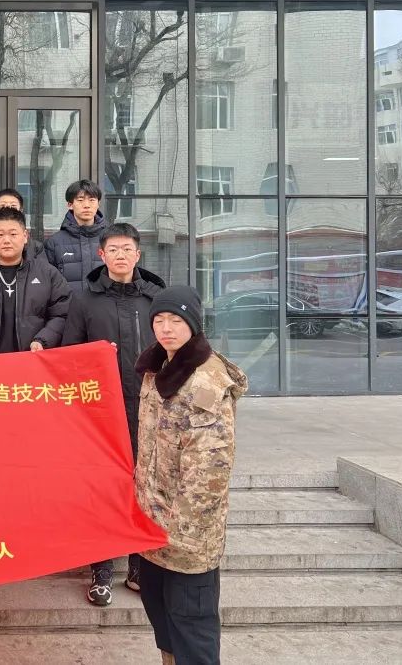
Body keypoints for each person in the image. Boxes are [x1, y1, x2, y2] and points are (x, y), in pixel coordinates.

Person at [134, 285, 247, 665]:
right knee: (161, 617)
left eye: (176, 321)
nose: (166, 328)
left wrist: (180, 533)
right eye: (159, 320)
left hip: (187, 536)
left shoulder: (205, 380)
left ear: (194, 325)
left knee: (191, 625)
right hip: (152, 526)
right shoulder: (156, 368)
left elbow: (210, 470)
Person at [61, 221, 165, 606]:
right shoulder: (84, 301)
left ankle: (138, 566)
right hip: (101, 413)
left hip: (148, 410)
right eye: (113, 250)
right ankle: (101, 570)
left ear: (138, 254)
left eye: (127, 249)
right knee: (102, 489)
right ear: (101, 255)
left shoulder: (157, 299)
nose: (121, 256)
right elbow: (70, 355)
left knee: (142, 487)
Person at [0, 207, 71, 356]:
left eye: (13, 234)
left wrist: (43, 341)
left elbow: (62, 314)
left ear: (25, 236)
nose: (6, 240)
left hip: (33, 361)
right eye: (0, 234)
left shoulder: (48, 274)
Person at [44, 179, 108, 294]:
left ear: (98, 204)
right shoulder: (54, 243)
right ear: (70, 205)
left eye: (92, 200)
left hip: (105, 305)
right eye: (80, 200)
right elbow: (47, 283)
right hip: (67, 304)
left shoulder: (110, 239)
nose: (86, 205)